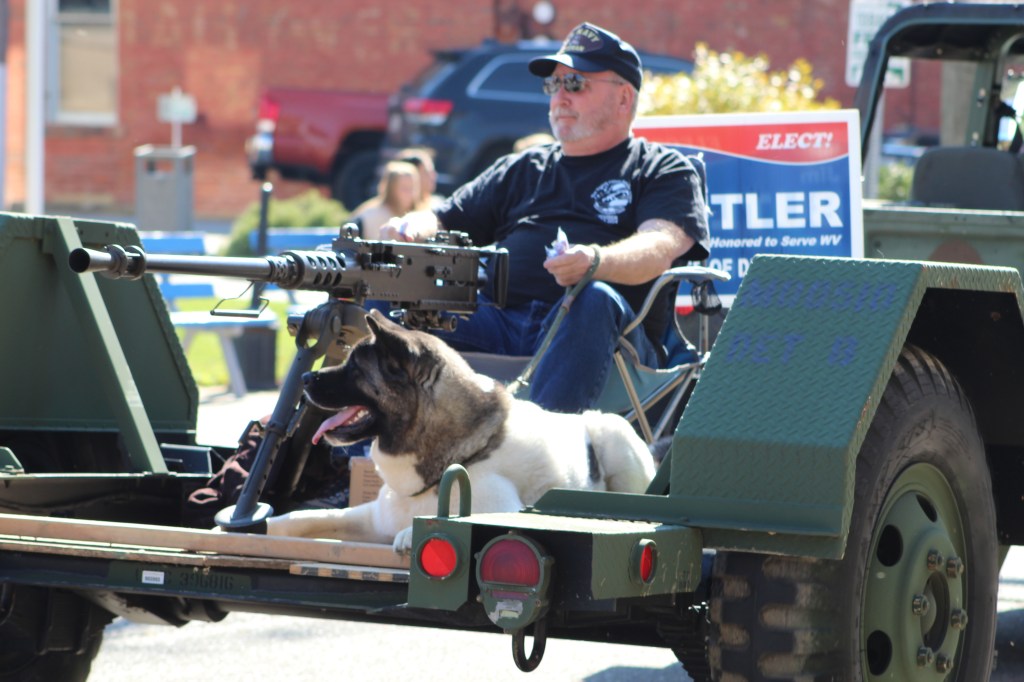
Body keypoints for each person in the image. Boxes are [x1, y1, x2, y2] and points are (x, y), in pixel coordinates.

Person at [381, 21, 709, 414]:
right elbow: (443, 217)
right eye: (553, 85)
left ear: (624, 99)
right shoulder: (522, 168)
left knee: (594, 295)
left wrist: (596, 262)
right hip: (500, 322)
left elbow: (660, 245)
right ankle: (360, 459)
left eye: (574, 84)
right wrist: (411, 228)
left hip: (606, 339)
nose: (559, 97)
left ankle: (544, 453)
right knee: (390, 294)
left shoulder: (660, 168)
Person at [350, 160, 420, 239]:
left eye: (412, 188)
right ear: (391, 190)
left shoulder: (419, 215)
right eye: (404, 188)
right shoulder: (367, 217)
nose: (409, 193)